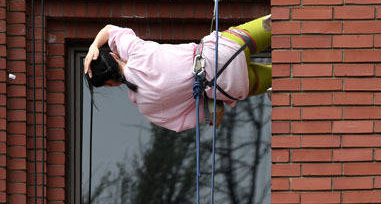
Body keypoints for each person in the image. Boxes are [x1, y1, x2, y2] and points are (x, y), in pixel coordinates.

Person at [83, 15, 271, 131]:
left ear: (110, 84)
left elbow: (192, 118)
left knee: (288, 76)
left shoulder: (149, 108)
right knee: (282, 21)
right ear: (115, 56)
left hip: (230, 85)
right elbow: (110, 30)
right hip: (225, 49)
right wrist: (94, 46)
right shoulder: (136, 52)